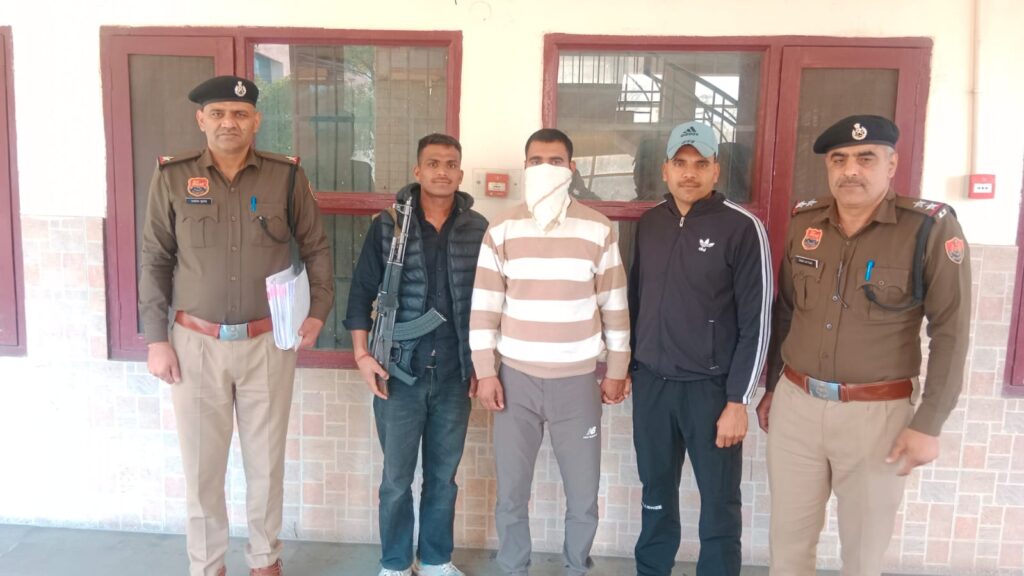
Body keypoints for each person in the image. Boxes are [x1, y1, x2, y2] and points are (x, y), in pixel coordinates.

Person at [758, 115, 971, 575]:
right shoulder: (805, 221)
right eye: (839, 159)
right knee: (787, 547)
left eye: (865, 158)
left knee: (862, 555)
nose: (850, 170)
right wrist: (772, 387)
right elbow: (786, 311)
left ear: (891, 165)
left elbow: (951, 332)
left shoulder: (929, 228)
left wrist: (929, 422)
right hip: (796, 407)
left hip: (877, 417)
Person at [139, 75, 334, 576]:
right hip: (194, 344)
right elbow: (155, 258)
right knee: (202, 469)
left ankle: (265, 561)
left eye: (240, 114)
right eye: (219, 114)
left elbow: (315, 246)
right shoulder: (173, 176)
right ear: (201, 120)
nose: (229, 122)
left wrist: (317, 311)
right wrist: (156, 339)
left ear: (256, 121)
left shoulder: (285, 177)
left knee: (265, 465)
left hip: (267, 342)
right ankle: (208, 565)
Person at [471, 128, 630, 576]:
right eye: (536, 160)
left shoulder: (598, 228)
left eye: (556, 161)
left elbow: (614, 305)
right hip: (514, 382)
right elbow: (485, 307)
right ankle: (513, 567)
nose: (546, 168)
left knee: (583, 495)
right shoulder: (502, 228)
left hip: (577, 383)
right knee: (511, 494)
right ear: (525, 167)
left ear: (571, 168)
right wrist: (486, 371)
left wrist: (617, 368)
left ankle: (576, 567)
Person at [628, 121, 772, 576]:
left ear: (715, 170)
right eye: (680, 163)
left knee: (719, 503)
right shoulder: (650, 222)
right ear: (665, 170)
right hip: (653, 386)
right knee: (655, 495)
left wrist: (737, 400)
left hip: (711, 392)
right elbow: (635, 299)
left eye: (700, 163)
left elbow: (757, 322)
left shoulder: (742, 227)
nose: (689, 173)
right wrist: (629, 368)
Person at [345, 133, 488, 576]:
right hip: (399, 372)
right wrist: (362, 356)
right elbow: (361, 292)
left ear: (460, 173)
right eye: (433, 163)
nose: (442, 171)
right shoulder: (388, 224)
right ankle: (394, 562)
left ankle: (436, 559)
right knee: (396, 480)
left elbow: (489, 300)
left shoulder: (478, 228)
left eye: (450, 164)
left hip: (454, 374)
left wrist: (482, 365)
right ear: (418, 170)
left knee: (443, 478)